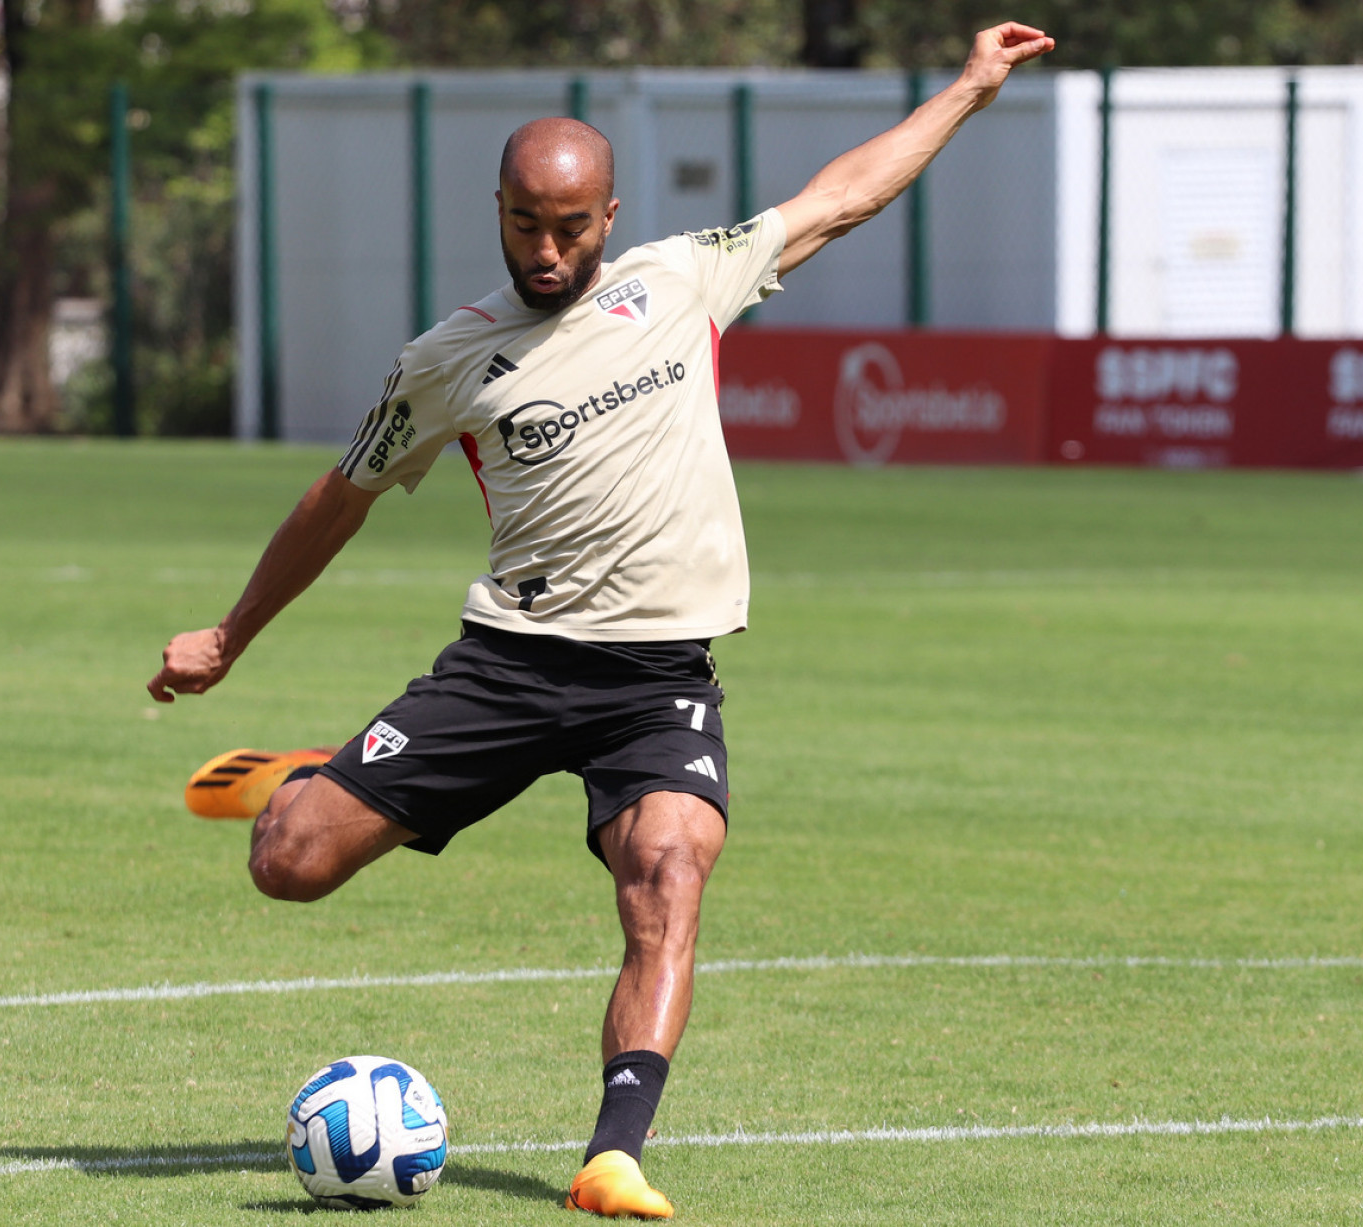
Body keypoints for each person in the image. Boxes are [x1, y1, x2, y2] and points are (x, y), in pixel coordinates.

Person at [148, 22, 1054, 1219]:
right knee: (290, 865)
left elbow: (841, 197)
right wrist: (230, 634)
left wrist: (971, 90)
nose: (548, 246)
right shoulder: (448, 361)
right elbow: (340, 496)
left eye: (570, 225)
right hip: (507, 671)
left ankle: (612, 1154)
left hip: (654, 677)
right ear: (499, 212)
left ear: (609, 215)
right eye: (527, 223)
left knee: (668, 871)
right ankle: (308, 775)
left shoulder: (681, 279)